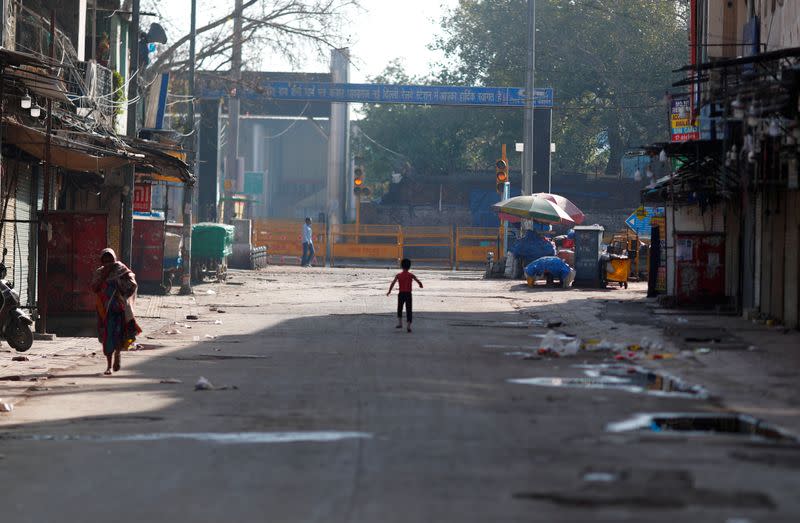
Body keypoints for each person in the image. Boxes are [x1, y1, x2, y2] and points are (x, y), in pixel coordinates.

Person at [90, 248, 141, 375]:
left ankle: (117, 354)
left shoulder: (121, 270)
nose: (107, 262)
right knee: (107, 338)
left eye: (110, 259)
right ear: (102, 260)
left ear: (114, 259)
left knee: (119, 335)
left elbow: (132, 285)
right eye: (105, 260)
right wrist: (103, 278)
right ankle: (108, 366)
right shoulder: (99, 273)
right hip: (105, 311)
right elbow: (94, 287)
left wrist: (119, 284)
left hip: (120, 310)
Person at [386, 258, 423, 332]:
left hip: (401, 294)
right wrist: (420, 285)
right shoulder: (411, 275)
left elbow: (393, 283)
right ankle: (408, 326)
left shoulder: (398, 275)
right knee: (409, 309)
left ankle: (400, 323)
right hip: (408, 294)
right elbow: (418, 281)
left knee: (400, 308)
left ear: (401, 266)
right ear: (409, 267)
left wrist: (389, 291)